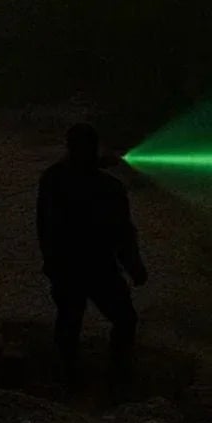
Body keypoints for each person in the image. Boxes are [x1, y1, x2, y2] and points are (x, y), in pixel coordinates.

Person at [36, 123, 146, 394]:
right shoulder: (110, 187)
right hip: (99, 267)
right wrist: (134, 266)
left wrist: (50, 262)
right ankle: (117, 374)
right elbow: (123, 232)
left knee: (69, 320)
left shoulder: (52, 179)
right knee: (124, 319)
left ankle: (69, 376)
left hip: (67, 266)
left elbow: (44, 226)